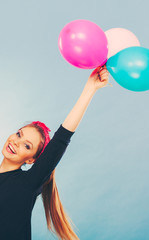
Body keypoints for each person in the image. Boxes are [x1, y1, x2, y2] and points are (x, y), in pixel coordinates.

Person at [0, 65, 110, 240]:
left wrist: (90, 89)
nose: (16, 142)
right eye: (19, 134)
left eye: (27, 146)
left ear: (31, 160)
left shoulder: (28, 183)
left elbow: (62, 138)